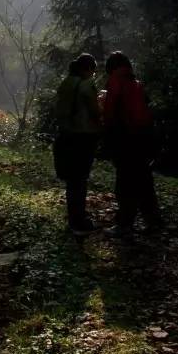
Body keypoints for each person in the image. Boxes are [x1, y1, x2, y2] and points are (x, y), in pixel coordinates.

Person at [102, 51, 162, 233]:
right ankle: (153, 221)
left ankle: (124, 224)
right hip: (143, 137)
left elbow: (110, 114)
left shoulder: (115, 81)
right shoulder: (135, 82)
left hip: (125, 139)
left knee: (125, 182)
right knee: (144, 180)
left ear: (111, 67)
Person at [52, 53, 104, 234]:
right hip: (83, 136)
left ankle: (74, 218)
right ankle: (79, 222)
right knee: (80, 180)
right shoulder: (85, 85)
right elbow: (95, 111)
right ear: (88, 69)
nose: (94, 74)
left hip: (66, 135)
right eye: (93, 70)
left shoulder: (66, 83)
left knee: (72, 181)